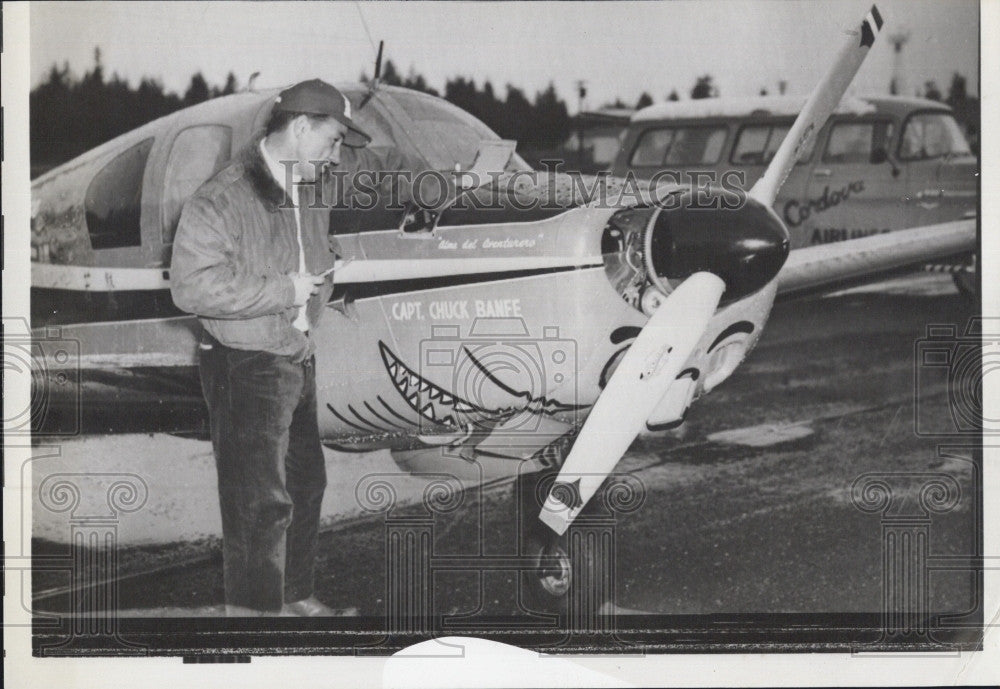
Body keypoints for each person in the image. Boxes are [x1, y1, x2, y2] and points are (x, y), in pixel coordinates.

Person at [170, 79, 372, 616]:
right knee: (259, 505)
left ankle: (295, 595)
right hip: (245, 363)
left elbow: (313, 254)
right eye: (331, 142)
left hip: (294, 355)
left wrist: (321, 283)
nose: (334, 157)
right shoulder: (221, 198)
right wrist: (283, 290)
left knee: (306, 486)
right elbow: (192, 286)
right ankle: (256, 620)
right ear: (301, 128)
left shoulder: (307, 190)